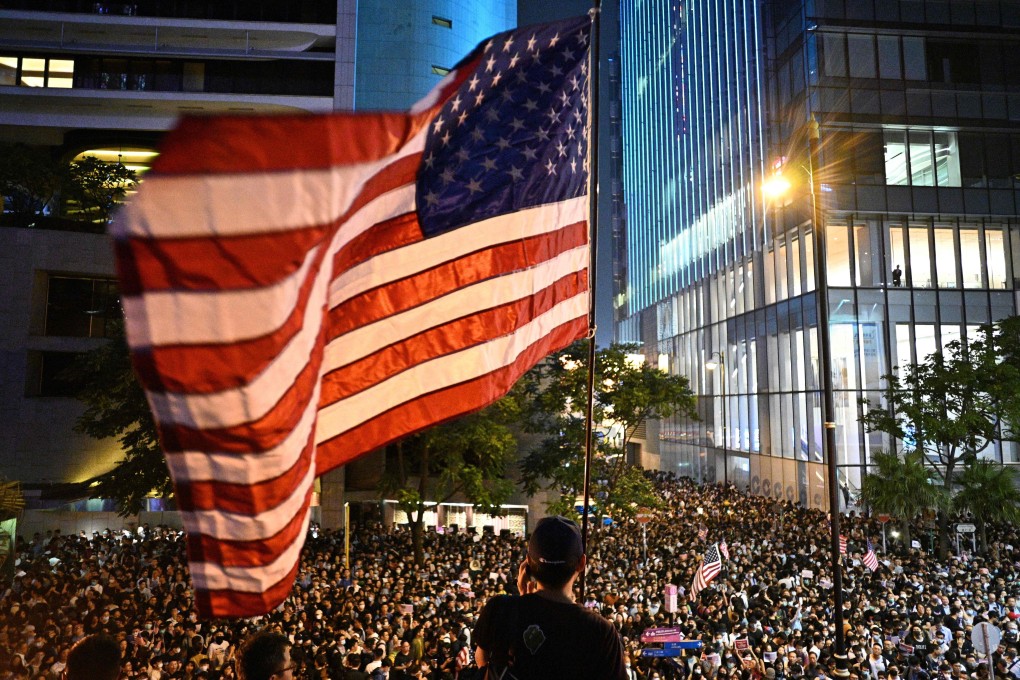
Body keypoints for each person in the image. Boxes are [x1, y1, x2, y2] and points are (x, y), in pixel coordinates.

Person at [473, 516, 627, 680]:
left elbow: (483, 660)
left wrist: (523, 603)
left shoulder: (501, 608)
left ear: (528, 564)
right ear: (581, 563)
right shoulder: (600, 631)